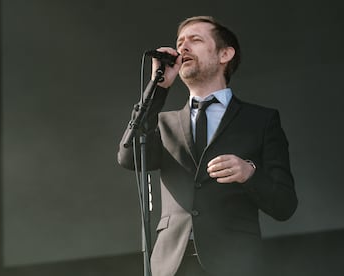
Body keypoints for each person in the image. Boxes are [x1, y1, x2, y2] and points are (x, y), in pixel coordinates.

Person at [118, 15, 298, 276]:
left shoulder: (260, 120)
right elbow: (128, 156)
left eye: (195, 39)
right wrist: (157, 89)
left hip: (234, 261)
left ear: (225, 54)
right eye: (180, 42)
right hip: (172, 264)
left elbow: (285, 204)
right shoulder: (164, 122)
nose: (183, 48)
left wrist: (249, 174)